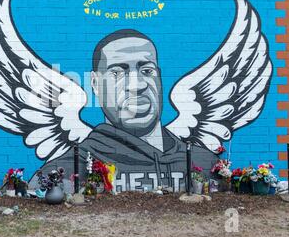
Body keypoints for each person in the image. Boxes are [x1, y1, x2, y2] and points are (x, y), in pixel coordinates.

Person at [29, 29, 218, 193]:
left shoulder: (204, 161)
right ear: (95, 84)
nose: (137, 85)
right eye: (118, 73)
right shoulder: (70, 166)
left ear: (159, 77)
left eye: (147, 71)